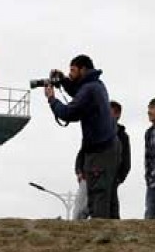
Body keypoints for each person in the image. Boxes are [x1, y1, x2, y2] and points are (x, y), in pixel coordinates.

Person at [45, 55, 118, 219]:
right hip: (106, 147)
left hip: (100, 150)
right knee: (106, 196)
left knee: (98, 194)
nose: (70, 74)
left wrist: (51, 99)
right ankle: (110, 235)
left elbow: (69, 112)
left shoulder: (89, 89)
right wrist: (63, 80)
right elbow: (78, 92)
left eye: (72, 70)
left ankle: (101, 233)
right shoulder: (95, 85)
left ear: (83, 70)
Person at [73, 100, 130, 219]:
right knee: (79, 211)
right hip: (87, 176)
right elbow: (83, 152)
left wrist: (119, 178)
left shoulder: (122, 136)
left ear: (117, 114)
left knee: (104, 209)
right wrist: (79, 171)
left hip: (108, 177)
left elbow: (126, 160)